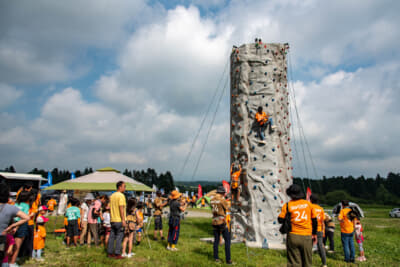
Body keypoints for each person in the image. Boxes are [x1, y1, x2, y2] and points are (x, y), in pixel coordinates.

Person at [278, 184, 317, 267]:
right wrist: (314, 234)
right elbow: (314, 220)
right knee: (307, 261)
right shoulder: (308, 204)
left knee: (294, 261)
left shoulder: (287, 205)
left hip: (293, 235)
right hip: (306, 235)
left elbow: (280, 220)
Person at [10, 191, 33, 266]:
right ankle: (12, 263)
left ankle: (8, 260)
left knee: (11, 244)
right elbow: (24, 218)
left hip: (12, 224)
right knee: (17, 246)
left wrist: (13, 225)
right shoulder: (26, 206)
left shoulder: (15, 204)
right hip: (21, 225)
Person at [210, 186, 232, 265]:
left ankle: (216, 258)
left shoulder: (212, 200)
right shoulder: (222, 200)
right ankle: (228, 260)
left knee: (216, 240)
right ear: (222, 193)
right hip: (221, 222)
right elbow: (227, 208)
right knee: (227, 240)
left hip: (214, 221)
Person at [107, 181, 126, 259]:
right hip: (119, 219)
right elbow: (121, 207)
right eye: (124, 186)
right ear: (120, 187)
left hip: (112, 219)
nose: (125, 188)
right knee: (119, 236)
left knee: (112, 236)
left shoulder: (112, 196)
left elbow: (109, 207)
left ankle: (110, 253)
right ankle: (117, 253)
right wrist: (123, 220)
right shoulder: (121, 196)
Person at [310, 195, 327, 267]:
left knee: (308, 246)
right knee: (320, 246)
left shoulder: (310, 207)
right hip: (319, 229)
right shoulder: (321, 209)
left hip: (311, 229)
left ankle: (307, 262)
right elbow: (323, 221)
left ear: (310, 200)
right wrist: (323, 231)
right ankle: (324, 263)